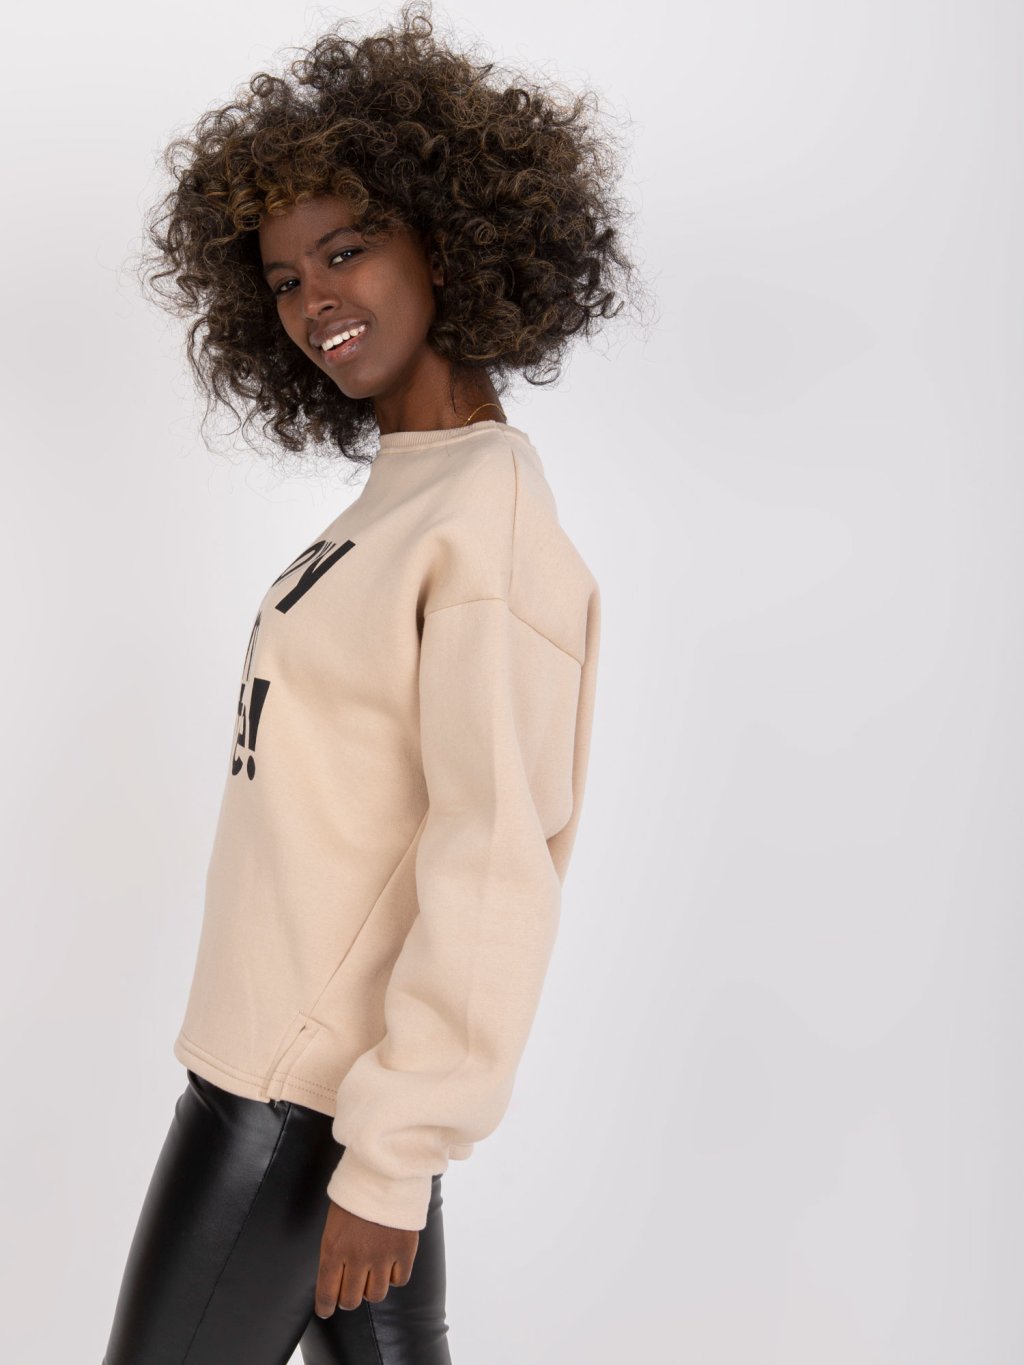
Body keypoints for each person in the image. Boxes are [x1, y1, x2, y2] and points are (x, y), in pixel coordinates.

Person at [102, 3, 648, 1360]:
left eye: (347, 250)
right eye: (286, 277)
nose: (315, 301)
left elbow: (495, 857)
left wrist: (395, 1155)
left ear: (448, 243)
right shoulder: (406, 495)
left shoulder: (485, 520)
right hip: (312, 1078)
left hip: (290, 1105)